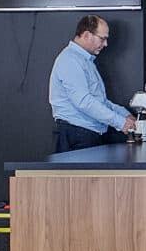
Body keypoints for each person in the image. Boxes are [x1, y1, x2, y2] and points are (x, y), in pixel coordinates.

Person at [49, 14, 134, 152]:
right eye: (102, 39)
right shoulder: (70, 60)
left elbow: (100, 102)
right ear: (87, 35)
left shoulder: (85, 61)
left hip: (86, 135)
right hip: (76, 135)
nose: (105, 44)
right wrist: (120, 122)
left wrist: (125, 115)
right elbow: (84, 102)